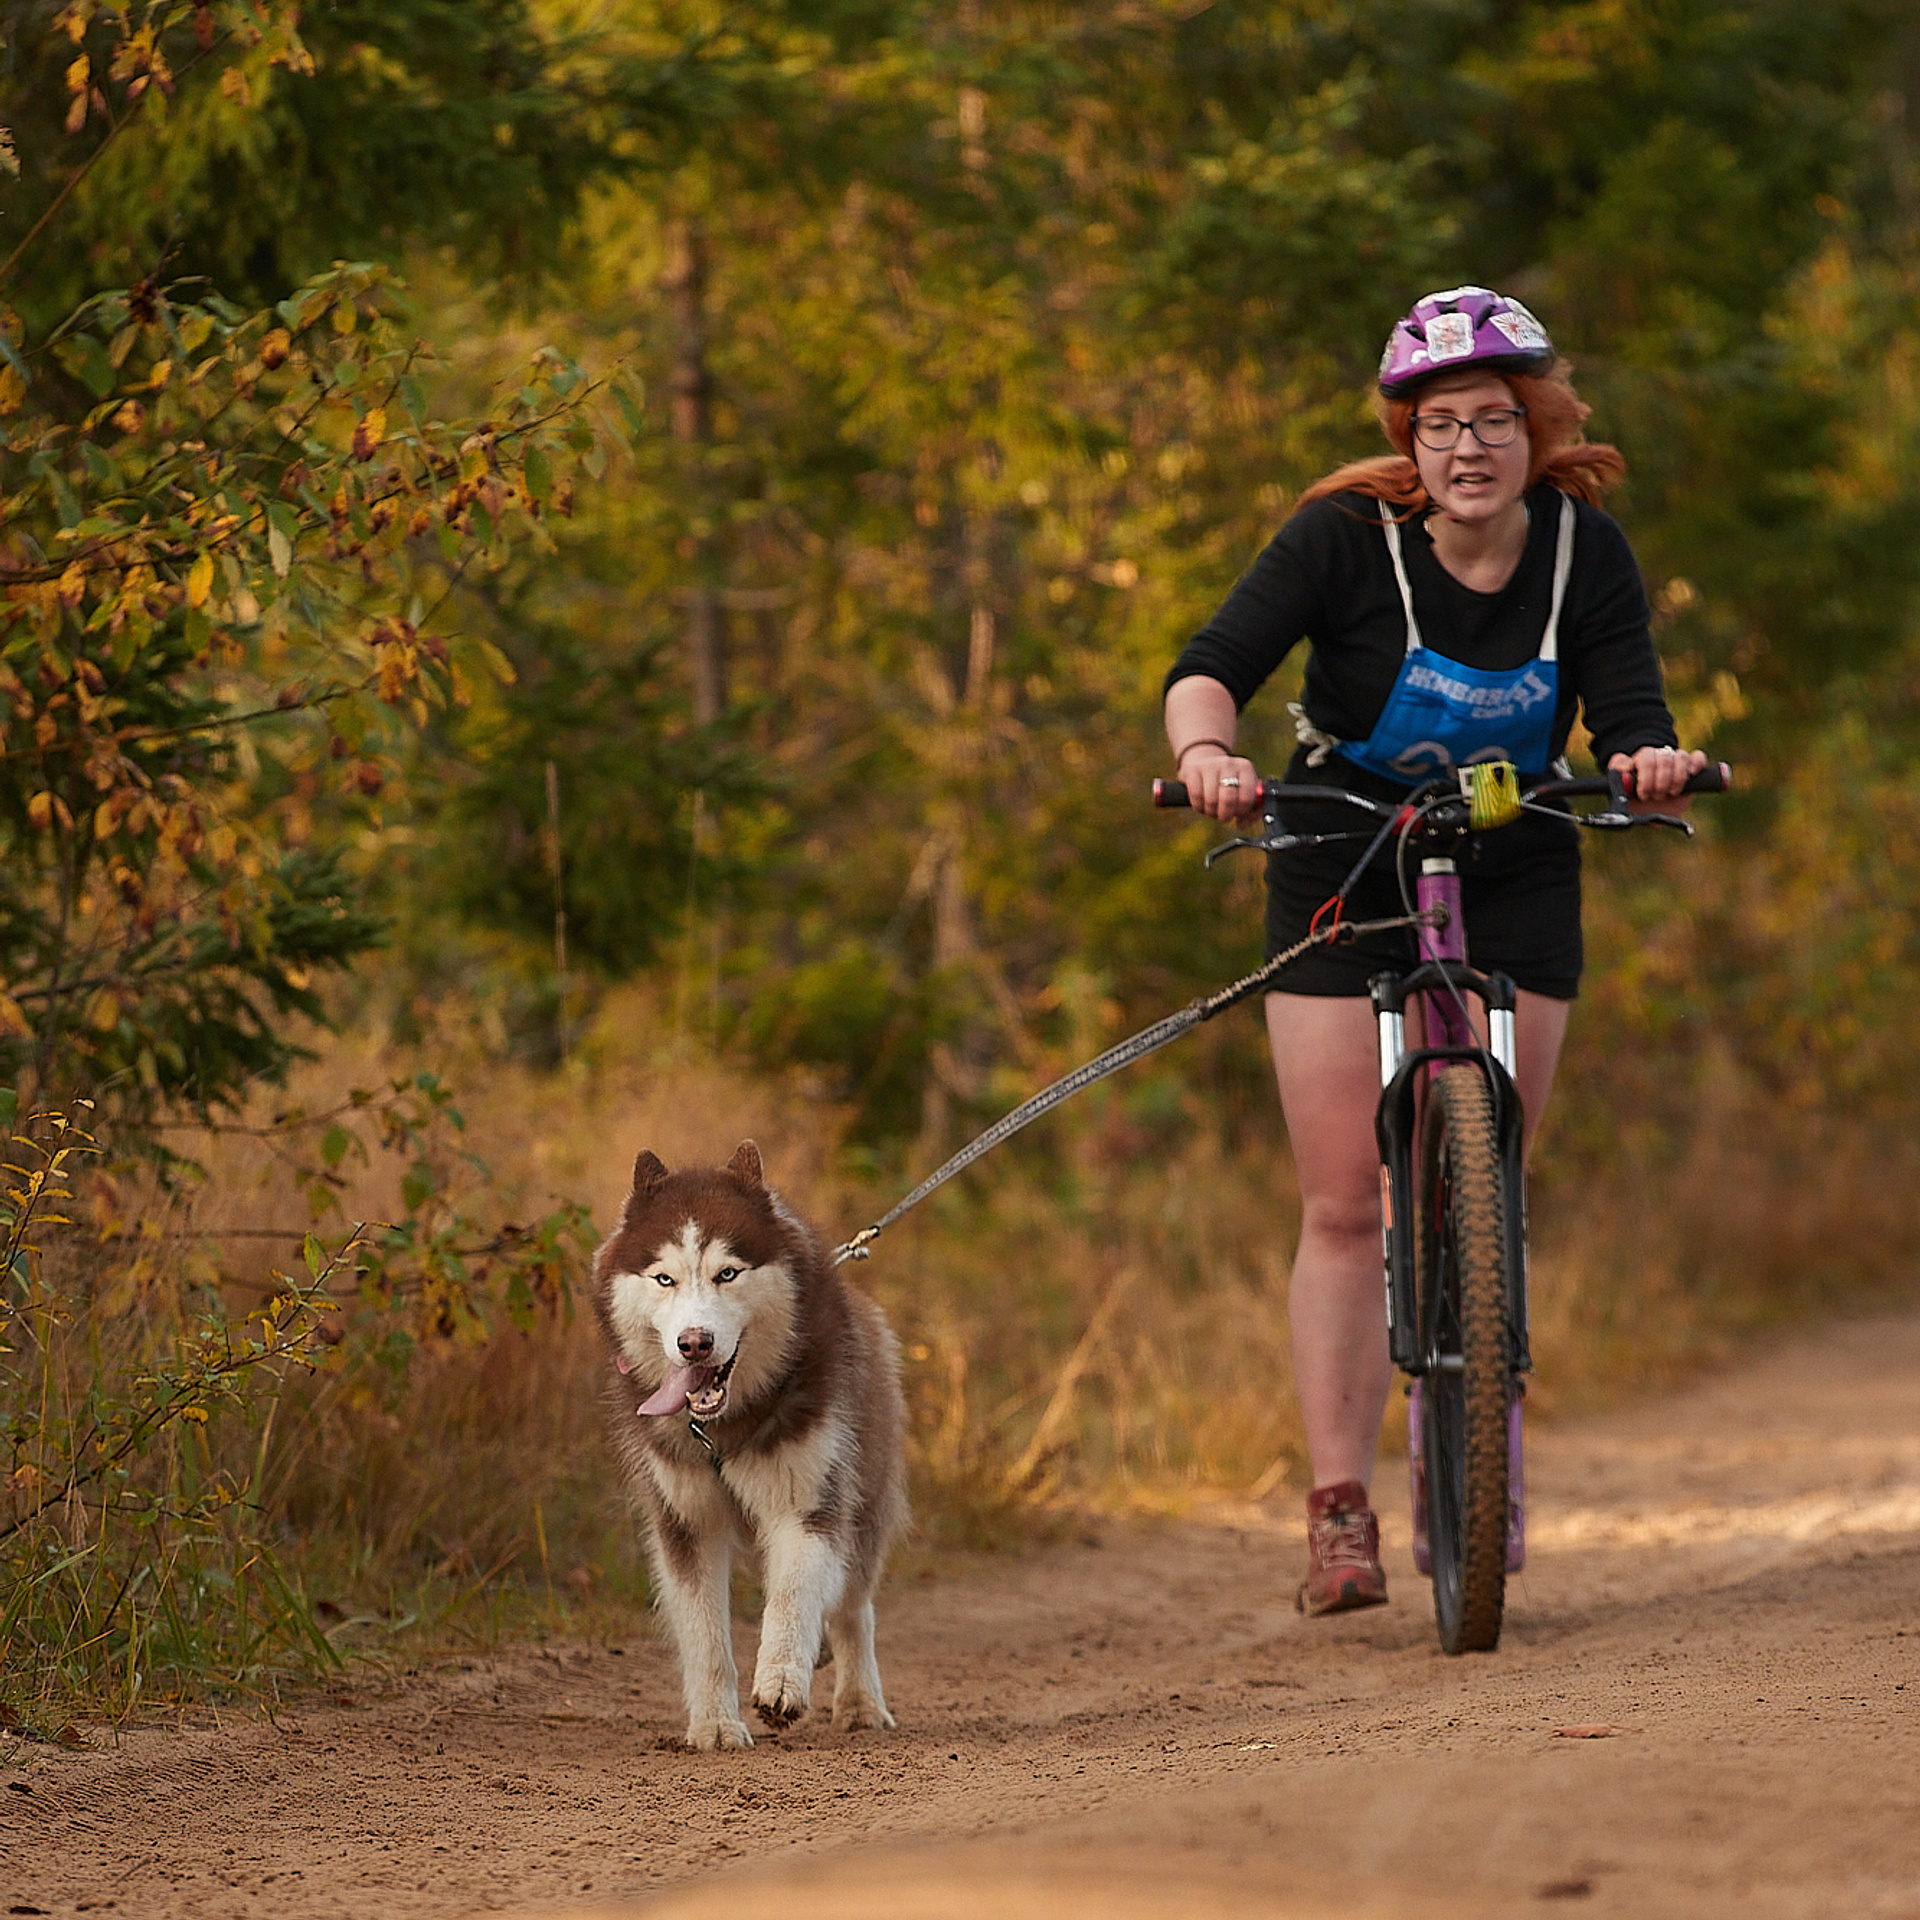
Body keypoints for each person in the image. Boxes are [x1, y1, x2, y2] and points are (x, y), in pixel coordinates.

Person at [1162, 287, 1706, 1615]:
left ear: (1539, 428)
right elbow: (1211, 665)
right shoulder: (1343, 540)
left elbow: (1629, 704)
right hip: (1342, 852)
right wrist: (1208, 754)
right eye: (1442, 424)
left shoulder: (1583, 550)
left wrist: (1647, 758)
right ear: (1408, 442)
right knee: (1348, 1201)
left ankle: (1479, 1420)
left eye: (1496, 421)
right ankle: (1339, 1508)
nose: (1469, 447)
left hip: (1518, 856)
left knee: (1493, 1169)